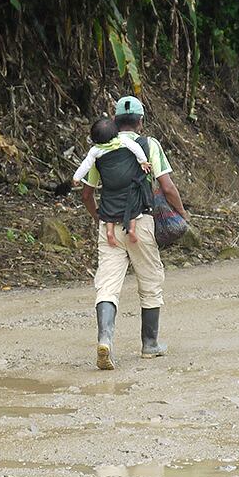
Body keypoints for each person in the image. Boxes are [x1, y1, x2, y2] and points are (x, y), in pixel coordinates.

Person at [79, 96, 189, 370]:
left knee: (107, 285)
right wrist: (182, 214)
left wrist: (99, 217)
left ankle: (105, 339)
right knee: (150, 280)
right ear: (141, 121)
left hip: (110, 226)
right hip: (140, 222)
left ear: (115, 121)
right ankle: (149, 345)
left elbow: (87, 193)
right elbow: (167, 187)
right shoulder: (148, 144)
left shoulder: (101, 149)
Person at [72, 118, 153, 247]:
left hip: (110, 186)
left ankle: (110, 232)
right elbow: (136, 147)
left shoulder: (95, 150)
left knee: (108, 207)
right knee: (133, 206)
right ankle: (131, 230)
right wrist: (143, 161)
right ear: (116, 132)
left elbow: (85, 165)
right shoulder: (123, 140)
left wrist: (76, 178)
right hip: (128, 183)